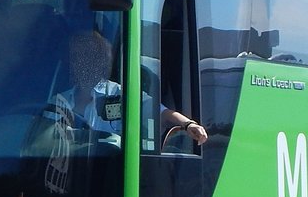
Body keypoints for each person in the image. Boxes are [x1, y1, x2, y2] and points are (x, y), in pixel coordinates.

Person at [56, 30, 208, 144]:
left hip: (112, 172)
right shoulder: (58, 101)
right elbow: (44, 140)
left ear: (102, 61)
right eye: (77, 57)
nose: (83, 63)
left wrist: (188, 124)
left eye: (90, 56)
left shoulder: (121, 94)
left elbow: (160, 113)